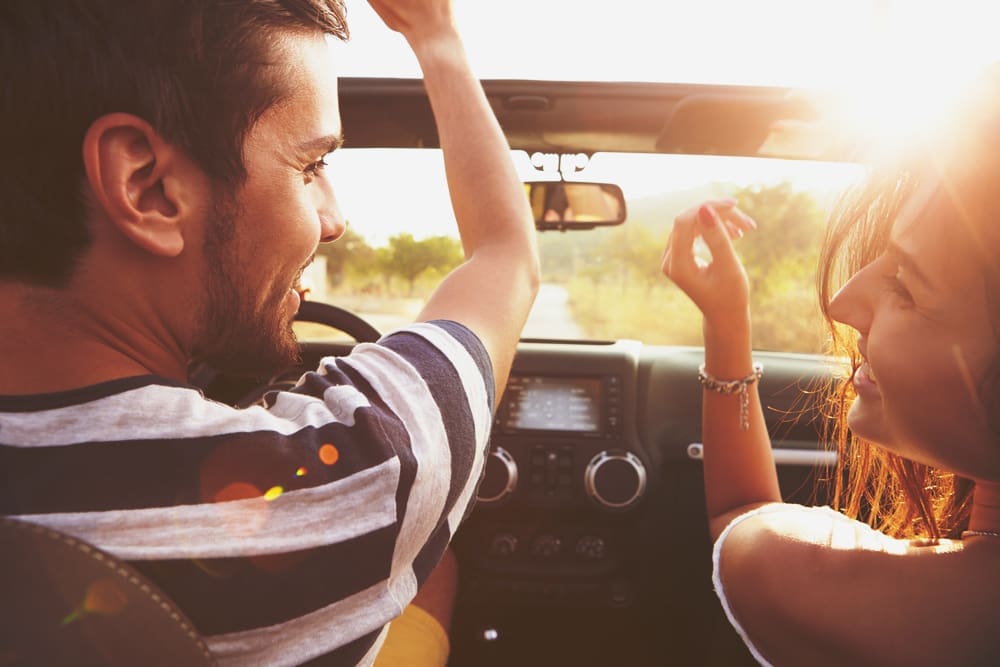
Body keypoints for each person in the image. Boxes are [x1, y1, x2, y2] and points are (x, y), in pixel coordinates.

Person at [0, 0, 539, 665]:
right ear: (147, 186)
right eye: (310, 167)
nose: (333, 218)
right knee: (440, 567)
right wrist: (437, 36)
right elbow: (506, 258)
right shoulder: (345, 481)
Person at [661, 73, 1000, 665]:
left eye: (906, 286)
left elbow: (743, 519)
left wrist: (726, 320)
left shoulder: (865, 602)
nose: (843, 302)